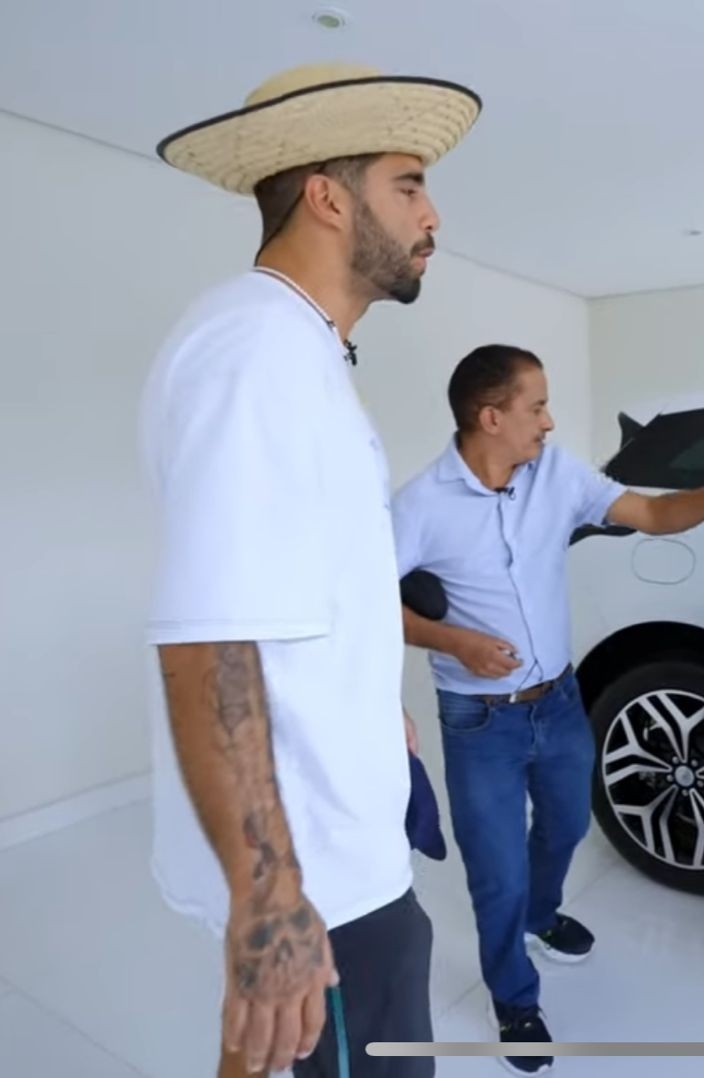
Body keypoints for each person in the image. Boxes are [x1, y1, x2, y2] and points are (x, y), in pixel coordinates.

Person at [140, 62, 480, 1077]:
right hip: (320, 873)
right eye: (409, 183)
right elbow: (208, 635)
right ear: (328, 196)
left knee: (264, 1054)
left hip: (334, 838)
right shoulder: (258, 352)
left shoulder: (301, 351)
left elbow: (299, 584)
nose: (434, 214)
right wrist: (271, 896)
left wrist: (372, 702)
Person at [391, 345, 704, 1073]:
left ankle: (541, 918)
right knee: (495, 868)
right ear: (491, 415)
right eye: (535, 406)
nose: (549, 420)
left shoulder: (558, 474)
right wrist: (451, 641)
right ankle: (514, 997)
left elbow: (656, 513)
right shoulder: (419, 506)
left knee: (568, 825)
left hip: (560, 703)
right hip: (480, 723)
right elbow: (370, 603)